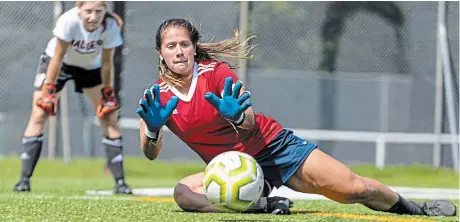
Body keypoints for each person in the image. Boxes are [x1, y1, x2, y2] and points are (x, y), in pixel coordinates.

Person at [136, 18, 456, 216]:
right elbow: (150, 154)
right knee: (183, 194)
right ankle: (264, 206)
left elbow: (248, 123)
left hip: (271, 146)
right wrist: (152, 131)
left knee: (353, 189)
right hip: (236, 170)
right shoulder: (155, 98)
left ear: (194, 48)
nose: (179, 51)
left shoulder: (215, 73)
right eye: (171, 46)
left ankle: (416, 209)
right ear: (160, 52)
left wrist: (237, 118)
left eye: (184, 44)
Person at [13, 1, 132, 194]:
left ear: (105, 11)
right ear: (79, 9)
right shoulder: (68, 21)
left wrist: (107, 93)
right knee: (39, 113)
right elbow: (57, 58)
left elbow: (108, 62)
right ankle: (24, 180)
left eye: (98, 11)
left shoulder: (110, 26)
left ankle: (120, 183)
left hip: (90, 68)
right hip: (58, 66)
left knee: (108, 117)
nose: (93, 16)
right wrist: (49, 90)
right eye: (88, 11)